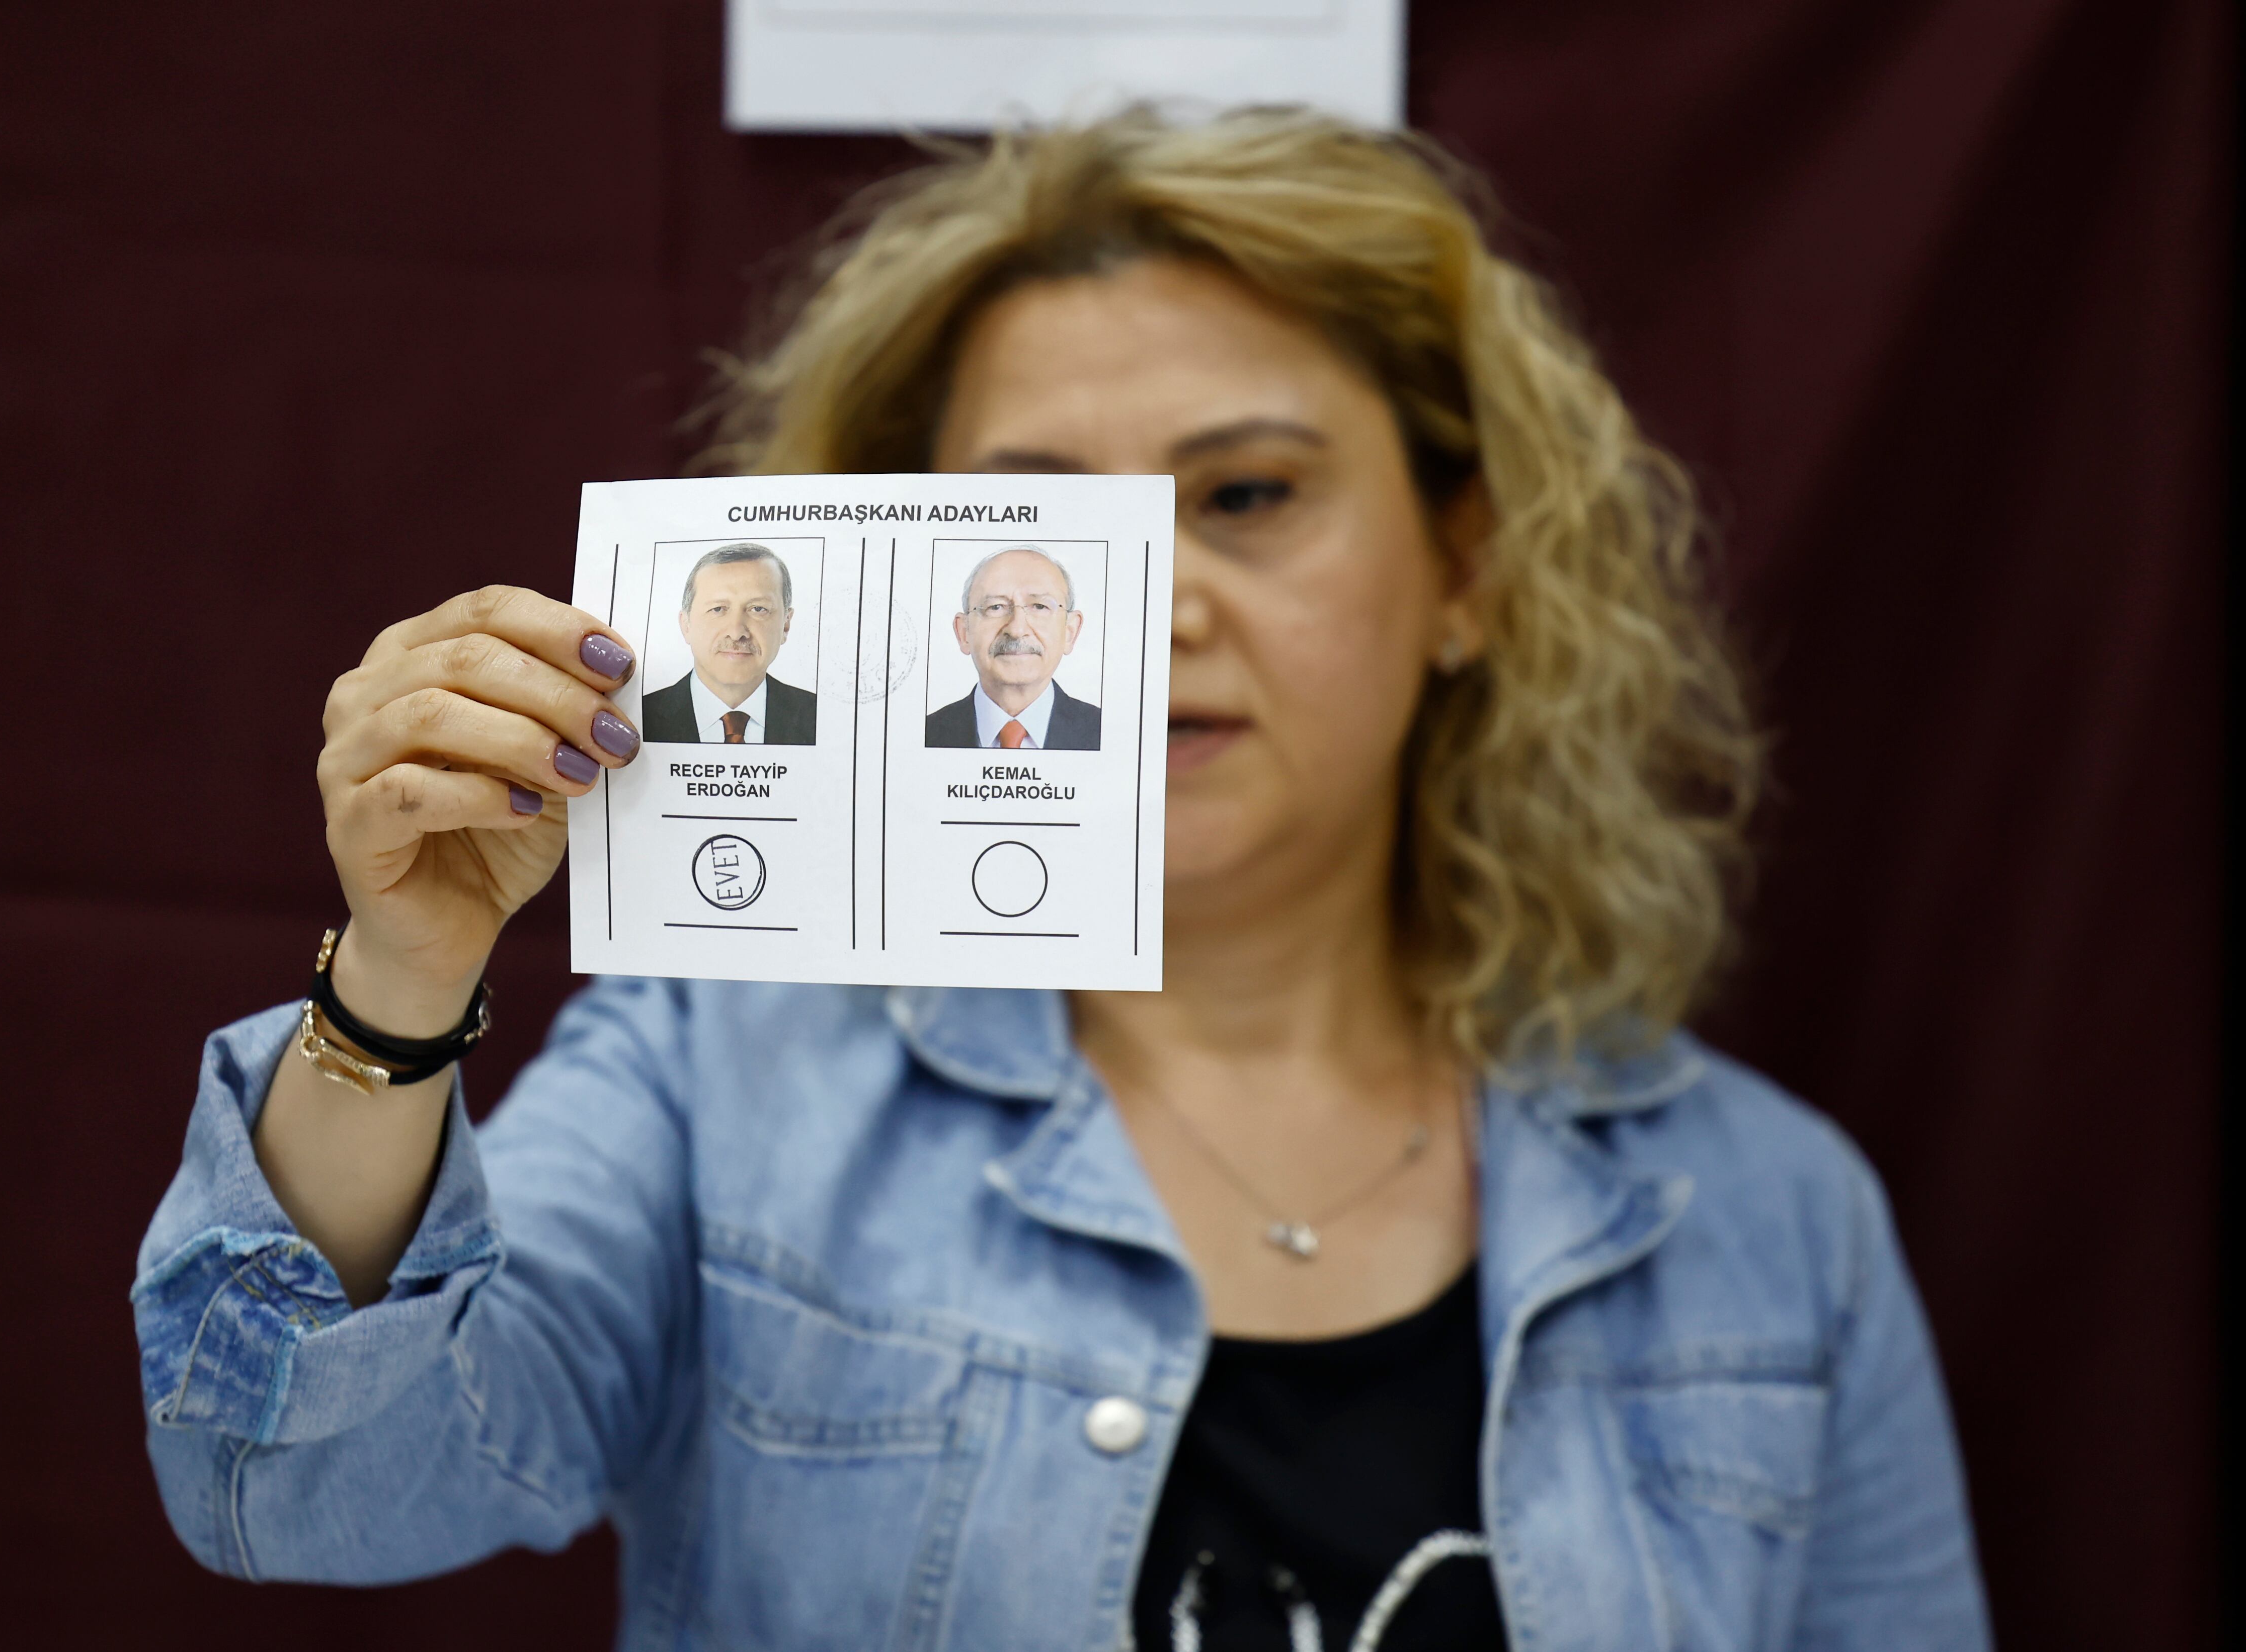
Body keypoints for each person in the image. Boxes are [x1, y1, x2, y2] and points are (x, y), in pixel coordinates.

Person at [135, 107, 1988, 1650]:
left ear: (1466, 573)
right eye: (1034, 526)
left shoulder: (1769, 1221)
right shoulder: (717, 1072)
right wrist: (400, 970)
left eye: (1246, 494)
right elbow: (291, 1483)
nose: (1144, 608)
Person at [639, 541, 818, 745]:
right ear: (686, 624)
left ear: (786, 625)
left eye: (758, 609)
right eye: (718, 609)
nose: (736, 633)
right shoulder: (639, 716)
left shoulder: (823, 718)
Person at [926, 545, 1102, 750]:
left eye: (1039, 607)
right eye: (996, 608)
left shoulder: (1108, 737)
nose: (1017, 630)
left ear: (1070, 632)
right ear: (964, 632)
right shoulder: (924, 735)